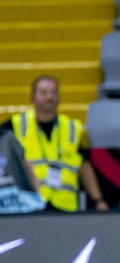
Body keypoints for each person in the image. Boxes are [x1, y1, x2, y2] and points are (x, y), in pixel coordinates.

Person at [11, 75, 108, 211]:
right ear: (32, 97)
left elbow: (84, 166)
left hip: (65, 207)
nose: (49, 97)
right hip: (29, 205)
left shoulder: (72, 128)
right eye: (43, 92)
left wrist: (98, 200)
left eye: (53, 92)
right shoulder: (15, 125)